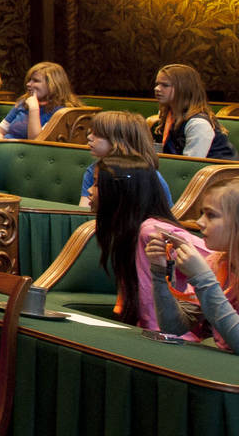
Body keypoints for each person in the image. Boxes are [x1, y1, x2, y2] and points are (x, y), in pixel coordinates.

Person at [145, 185, 239, 352]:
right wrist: (160, 271)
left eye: (211, 215)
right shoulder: (216, 262)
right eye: (202, 214)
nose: (199, 222)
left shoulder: (208, 269)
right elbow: (173, 327)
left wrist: (203, 278)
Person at [92, 158, 180, 329]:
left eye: (96, 184)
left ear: (120, 192)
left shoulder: (151, 232)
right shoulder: (126, 233)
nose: (90, 191)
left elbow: (152, 309)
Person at [80, 110, 169, 209]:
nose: (89, 137)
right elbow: (84, 211)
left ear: (119, 141)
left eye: (97, 134)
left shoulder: (147, 177)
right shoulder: (93, 170)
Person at [150, 63, 235, 159]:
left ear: (183, 88)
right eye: (157, 84)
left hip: (216, 168)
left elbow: (190, 165)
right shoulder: (168, 115)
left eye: (165, 85)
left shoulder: (198, 124)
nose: (157, 88)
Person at [0, 62, 78, 140]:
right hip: (4, 145)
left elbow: (36, 141)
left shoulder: (61, 112)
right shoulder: (23, 102)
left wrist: (34, 109)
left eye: (35, 80)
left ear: (53, 85)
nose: (28, 84)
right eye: (29, 80)